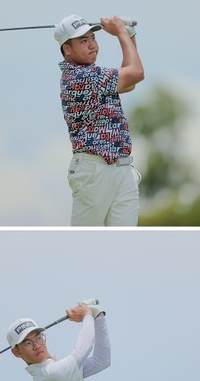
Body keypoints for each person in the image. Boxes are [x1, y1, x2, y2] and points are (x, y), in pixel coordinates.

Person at [55, 14, 145, 226]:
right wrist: (121, 32)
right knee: (85, 247)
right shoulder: (79, 77)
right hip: (93, 171)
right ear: (67, 49)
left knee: (123, 248)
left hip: (121, 169)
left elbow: (129, 82)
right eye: (83, 41)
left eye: (92, 38)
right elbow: (136, 73)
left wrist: (130, 35)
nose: (92, 45)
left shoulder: (94, 74)